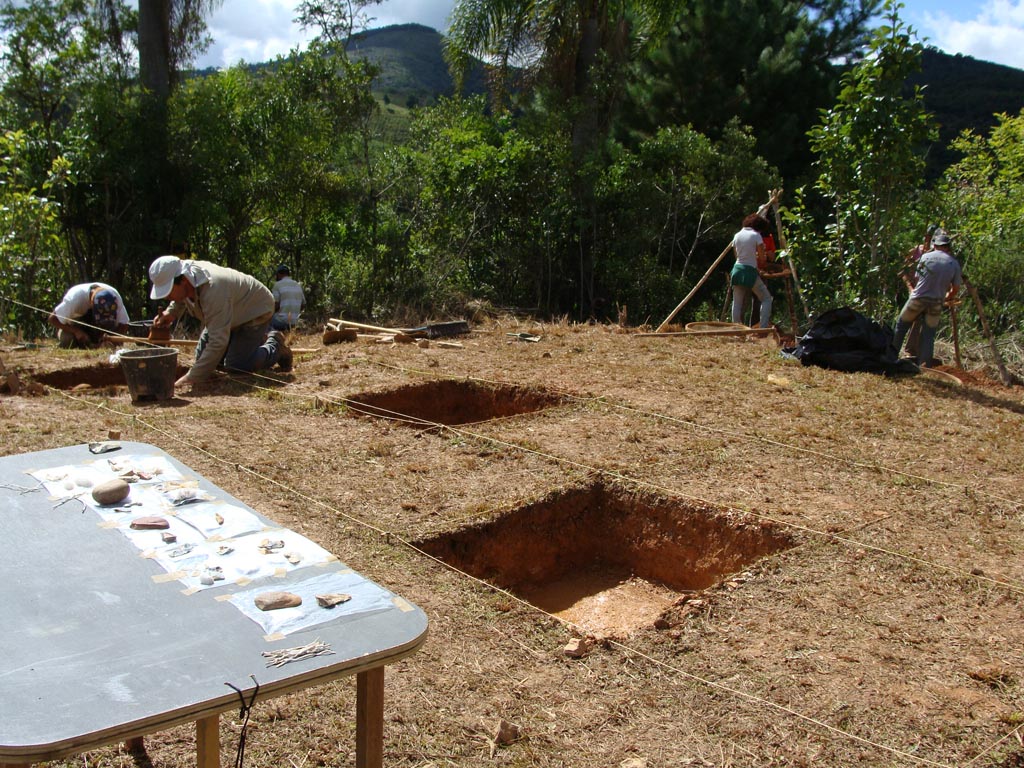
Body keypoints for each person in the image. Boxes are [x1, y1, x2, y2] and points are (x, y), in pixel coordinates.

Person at [148, 256, 292, 389]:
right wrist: (171, 313)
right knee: (204, 359)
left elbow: (218, 342)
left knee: (236, 365)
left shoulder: (213, 290)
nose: (166, 297)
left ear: (183, 280)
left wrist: (191, 378)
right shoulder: (187, 277)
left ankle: (275, 345)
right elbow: (182, 296)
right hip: (229, 312)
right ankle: (250, 344)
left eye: (168, 291)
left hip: (255, 310)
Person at [892, 228, 962, 368]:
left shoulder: (925, 257)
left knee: (900, 327)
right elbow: (955, 288)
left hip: (918, 298)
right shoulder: (954, 263)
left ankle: (890, 357)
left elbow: (918, 279)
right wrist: (947, 296)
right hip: (936, 302)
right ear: (948, 247)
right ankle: (924, 366)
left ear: (934, 245)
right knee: (928, 335)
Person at [48, 283, 130, 348]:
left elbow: (124, 323)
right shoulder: (74, 299)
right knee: (68, 340)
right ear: (91, 303)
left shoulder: (115, 297)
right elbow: (52, 319)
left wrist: (115, 341)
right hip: (74, 326)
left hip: (101, 330)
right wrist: (76, 331)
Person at [899, 224, 937, 360]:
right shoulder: (915, 251)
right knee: (906, 320)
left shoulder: (936, 255)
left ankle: (917, 352)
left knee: (923, 322)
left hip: (927, 292)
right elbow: (903, 272)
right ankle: (908, 351)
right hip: (915, 290)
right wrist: (910, 288)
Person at [729, 213, 774, 328]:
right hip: (749, 271)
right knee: (766, 298)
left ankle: (737, 329)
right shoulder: (756, 235)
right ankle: (763, 328)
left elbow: (737, 256)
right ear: (758, 227)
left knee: (737, 302)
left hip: (737, 269)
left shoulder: (737, 235)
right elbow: (763, 259)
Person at [271, 264, 305, 331]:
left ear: (278, 274)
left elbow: (276, 305)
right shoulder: (297, 285)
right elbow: (303, 305)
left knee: (265, 320)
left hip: (282, 323)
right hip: (295, 323)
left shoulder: (277, 285)